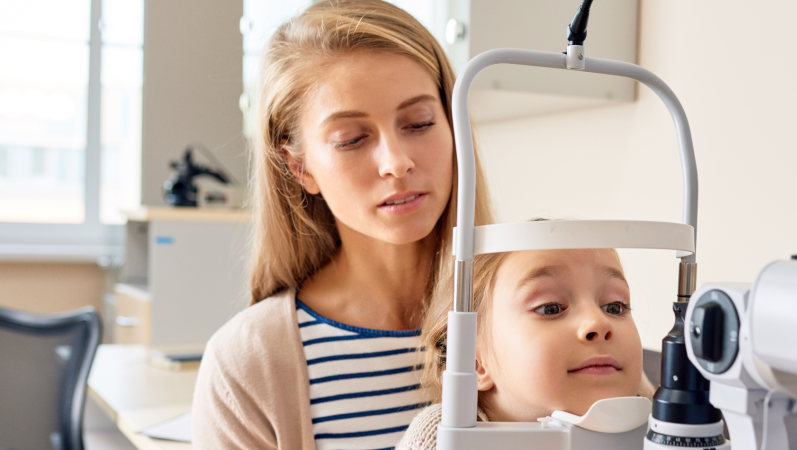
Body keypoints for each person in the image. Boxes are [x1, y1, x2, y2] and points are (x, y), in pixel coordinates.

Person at [191, 2, 494, 449]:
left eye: (420, 123)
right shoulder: (246, 365)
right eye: (351, 139)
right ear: (299, 168)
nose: (397, 162)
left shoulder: (533, 313)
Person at [397, 248, 647, 450]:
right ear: (474, 362)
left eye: (615, 307)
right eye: (550, 308)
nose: (598, 323)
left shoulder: (659, 430)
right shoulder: (442, 434)